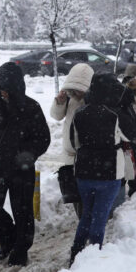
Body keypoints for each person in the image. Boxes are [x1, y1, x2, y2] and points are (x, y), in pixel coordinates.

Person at [0, 62, 51, 266]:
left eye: (5, 88)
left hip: (22, 168)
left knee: (23, 212)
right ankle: (8, 240)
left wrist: (27, 154)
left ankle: (21, 249)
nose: (2, 92)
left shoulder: (31, 107)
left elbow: (43, 138)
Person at [68, 73, 128, 266]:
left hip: (84, 171)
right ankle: (93, 257)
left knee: (87, 213)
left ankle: (76, 252)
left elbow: (73, 144)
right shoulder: (114, 115)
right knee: (100, 216)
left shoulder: (80, 113)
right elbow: (128, 136)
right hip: (109, 172)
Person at [50, 63, 93, 216]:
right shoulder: (69, 98)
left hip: (86, 154)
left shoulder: (93, 100)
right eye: (75, 89)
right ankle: (82, 219)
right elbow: (56, 116)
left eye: (80, 90)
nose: (77, 93)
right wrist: (59, 102)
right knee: (74, 192)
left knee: (85, 193)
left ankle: (86, 221)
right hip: (70, 155)